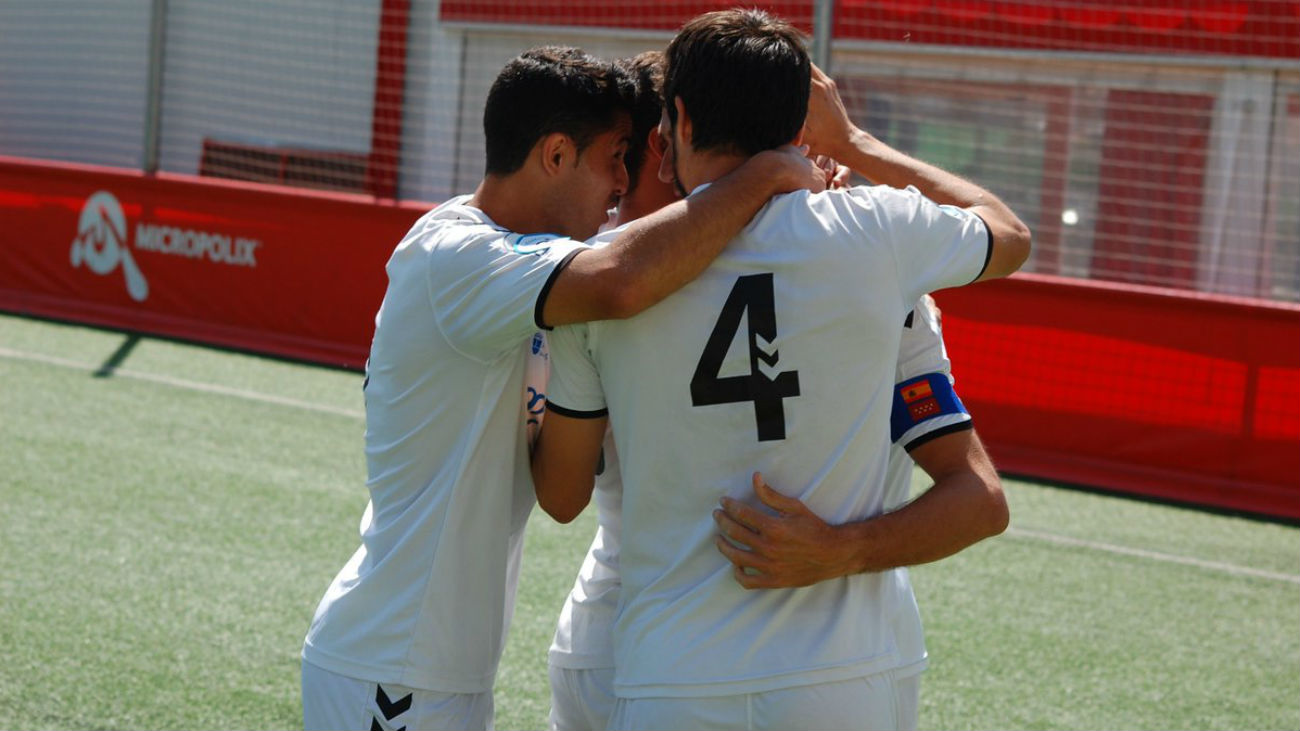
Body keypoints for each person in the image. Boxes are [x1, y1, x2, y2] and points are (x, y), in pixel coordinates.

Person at [299, 45, 824, 731]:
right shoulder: (461, 256)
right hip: (391, 667)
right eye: (616, 155)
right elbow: (622, 277)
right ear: (554, 155)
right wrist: (762, 177)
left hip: (429, 669)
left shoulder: (510, 267)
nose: (623, 181)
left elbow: (563, 492)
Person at [530, 10, 1029, 730]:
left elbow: (560, 490)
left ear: (678, 124)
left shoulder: (603, 279)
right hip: (843, 678)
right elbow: (1008, 234)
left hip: (671, 675)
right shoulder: (881, 238)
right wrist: (854, 142)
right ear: (801, 127)